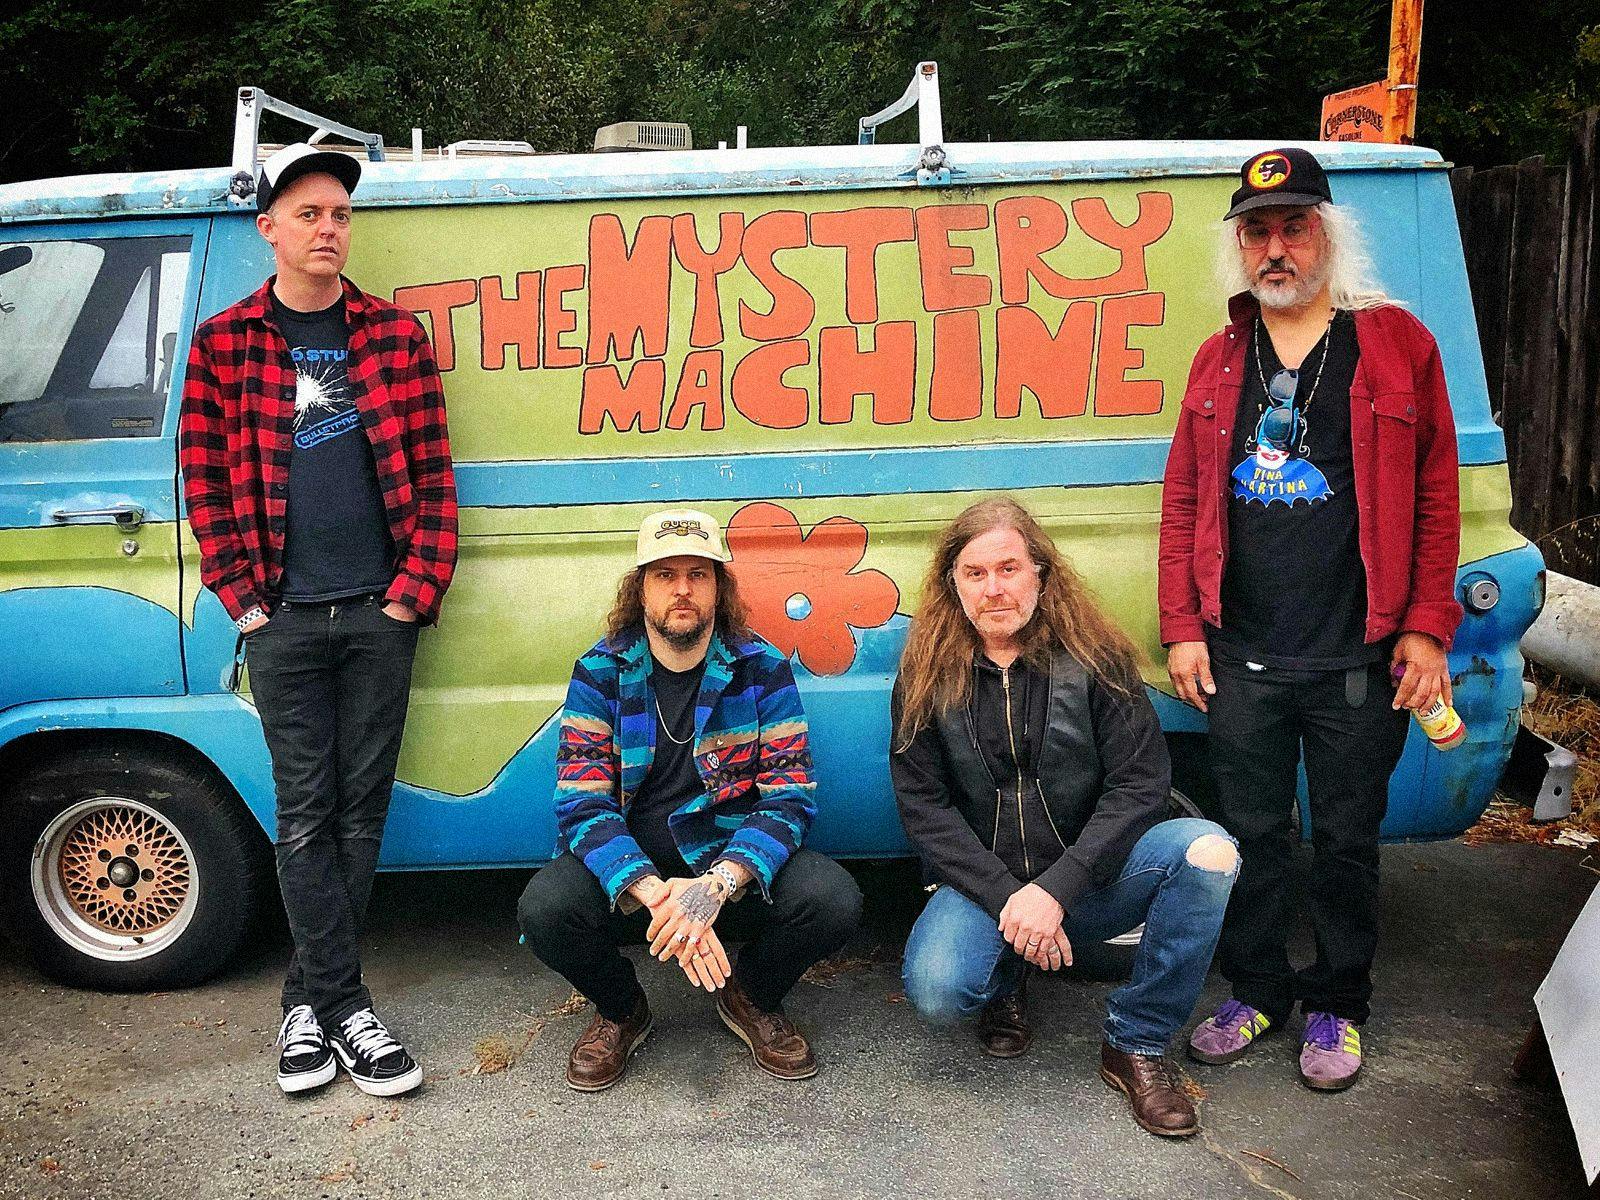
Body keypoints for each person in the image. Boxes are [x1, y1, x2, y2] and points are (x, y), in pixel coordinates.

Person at [1159, 147, 1462, 1091]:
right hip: (1242, 654)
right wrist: (1182, 625)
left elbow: (1437, 495)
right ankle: (1255, 991)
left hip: (1357, 658)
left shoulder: (1397, 344)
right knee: (1251, 835)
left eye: (1295, 226)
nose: (1275, 246)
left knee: (1344, 840)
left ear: (1328, 235)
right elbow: (1181, 503)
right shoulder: (1218, 361)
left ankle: (1338, 1005)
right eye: (1258, 230)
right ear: (1240, 249)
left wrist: (1426, 625)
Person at [179, 143, 458, 1097]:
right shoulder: (225, 343)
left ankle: (311, 1004)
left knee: (361, 811)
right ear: (269, 229)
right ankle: (347, 1010)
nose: (327, 229)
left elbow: (433, 478)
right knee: (306, 817)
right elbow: (205, 482)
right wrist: (245, 603)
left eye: (339, 213)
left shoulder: (393, 336)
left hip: (380, 612)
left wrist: (412, 594)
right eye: (308, 214)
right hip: (284, 618)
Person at [892, 496, 1238, 1138]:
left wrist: (1055, 891)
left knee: (1207, 851)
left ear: (1041, 575)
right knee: (939, 991)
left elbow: (1141, 785)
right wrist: (1010, 899)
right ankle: (1007, 977)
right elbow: (924, 807)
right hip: (985, 884)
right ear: (953, 584)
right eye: (974, 573)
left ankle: (1136, 1042)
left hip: (1090, 879)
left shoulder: (1096, 658)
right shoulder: (925, 673)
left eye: (1009, 568)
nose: (993, 589)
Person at [517, 509, 862, 1091]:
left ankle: (750, 995)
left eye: (698, 575)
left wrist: (716, 887)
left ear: (718, 587)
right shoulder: (600, 671)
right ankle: (622, 1011)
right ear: (640, 587)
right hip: (634, 870)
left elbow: (790, 796)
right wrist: (653, 891)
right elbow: (580, 802)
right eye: (665, 575)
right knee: (544, 909)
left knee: (833, 900)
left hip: (728, 860)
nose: (682, 589)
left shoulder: (762, 669)